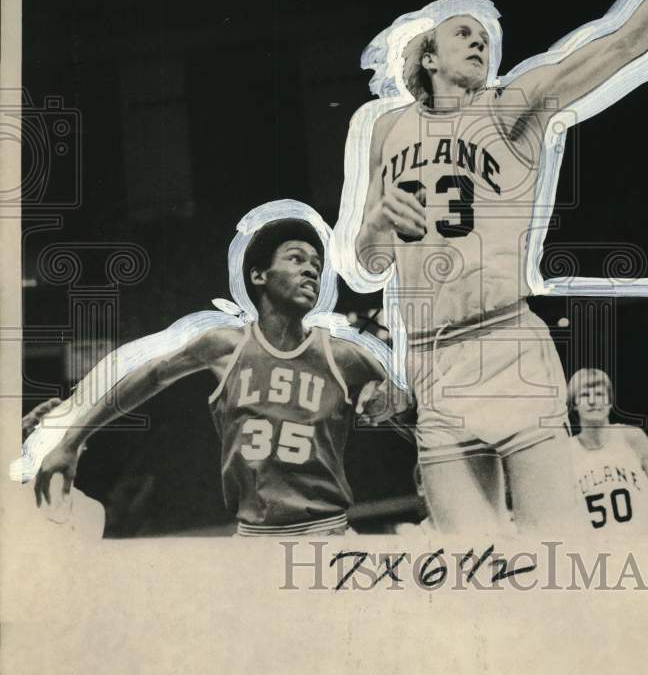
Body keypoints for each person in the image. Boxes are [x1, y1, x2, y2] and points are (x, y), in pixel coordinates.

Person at [344, 0, 648, 534]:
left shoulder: (513, 108)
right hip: (429, 359)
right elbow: (366, 261)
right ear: (427, 54)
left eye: (486, 36)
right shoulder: (385, 131)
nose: (482, 41)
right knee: (472, 557)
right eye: (463, 34)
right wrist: (373, 222)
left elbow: (622, 42)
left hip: (505, 341)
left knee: (553, 549)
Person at [27, 214, 398, 538]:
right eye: (296, 259)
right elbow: (152, 374)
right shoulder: (225, 345)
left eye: (316, 263)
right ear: (259, 275)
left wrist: (393, 399)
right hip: (252, 535)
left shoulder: (344, 355)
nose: (311, 269)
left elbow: (412, 399)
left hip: (326, 533)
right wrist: (72, 440)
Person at [568, 369, 648, 534]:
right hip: (598, 555)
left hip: (643, 549)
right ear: (574, 404)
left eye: (599, 394)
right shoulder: (567, 452)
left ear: (610, 401)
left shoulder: (631, 437)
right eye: (585, 395)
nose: (593, 401)